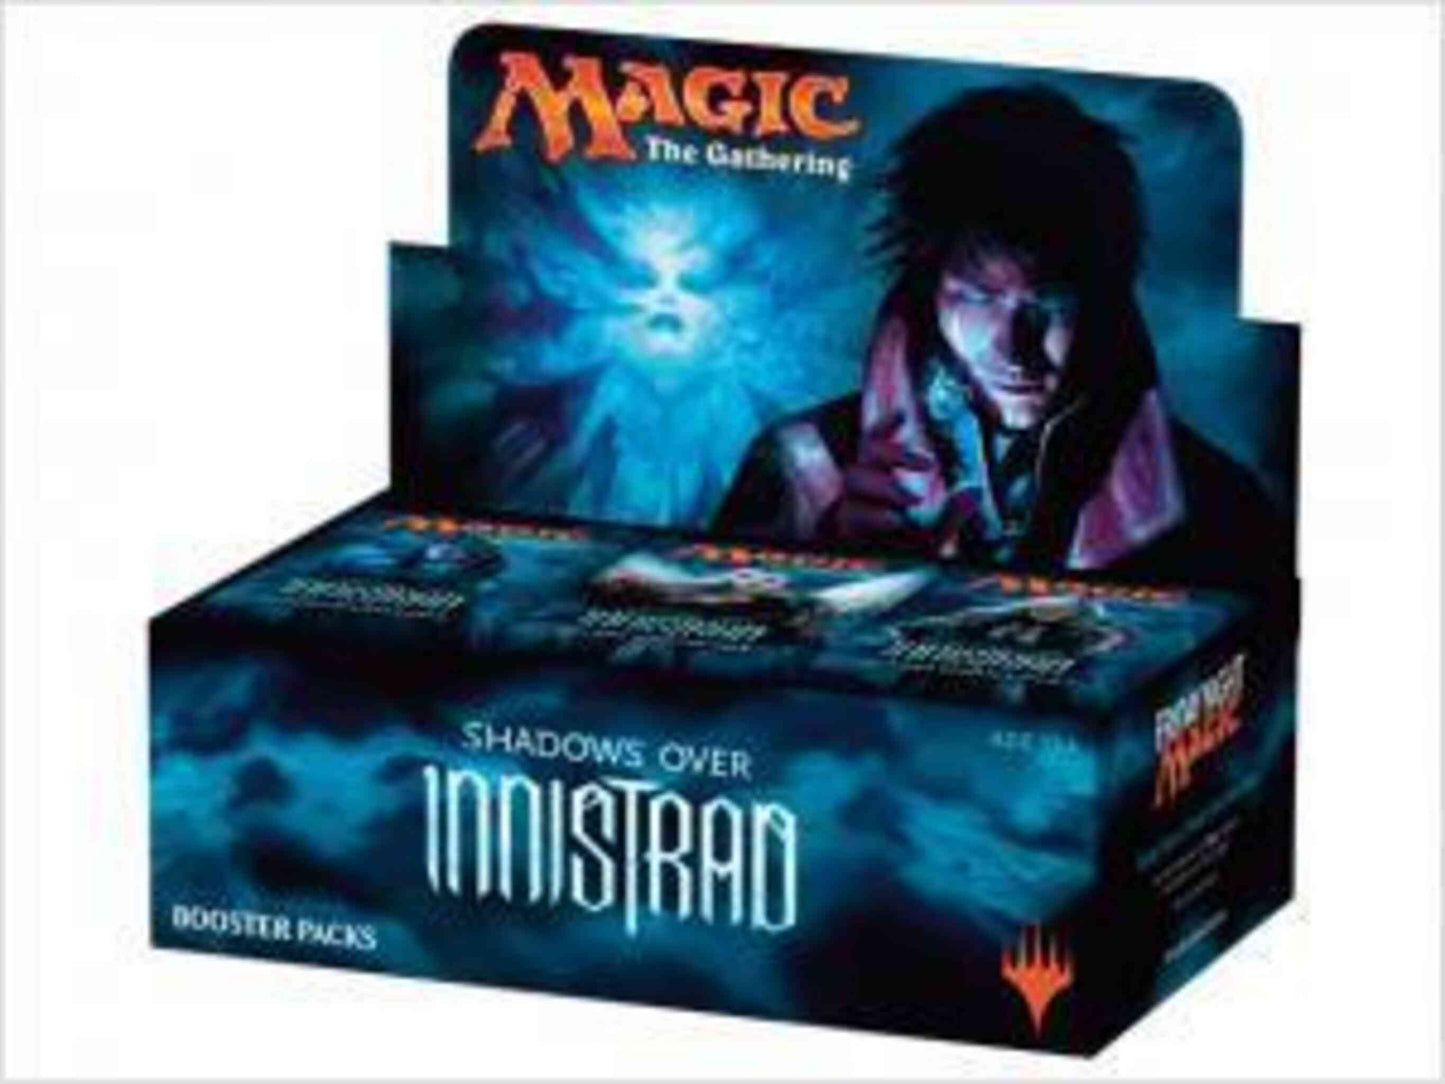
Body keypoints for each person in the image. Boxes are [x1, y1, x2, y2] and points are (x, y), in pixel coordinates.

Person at [712, 85, 1286, 584]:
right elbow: (701, 660)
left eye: (1050, 302)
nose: (1015, 347)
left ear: (1103, 302)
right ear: (929, 292)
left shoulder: (1214, 505)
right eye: (979, 297)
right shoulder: (804, 464)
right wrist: (826, 563)